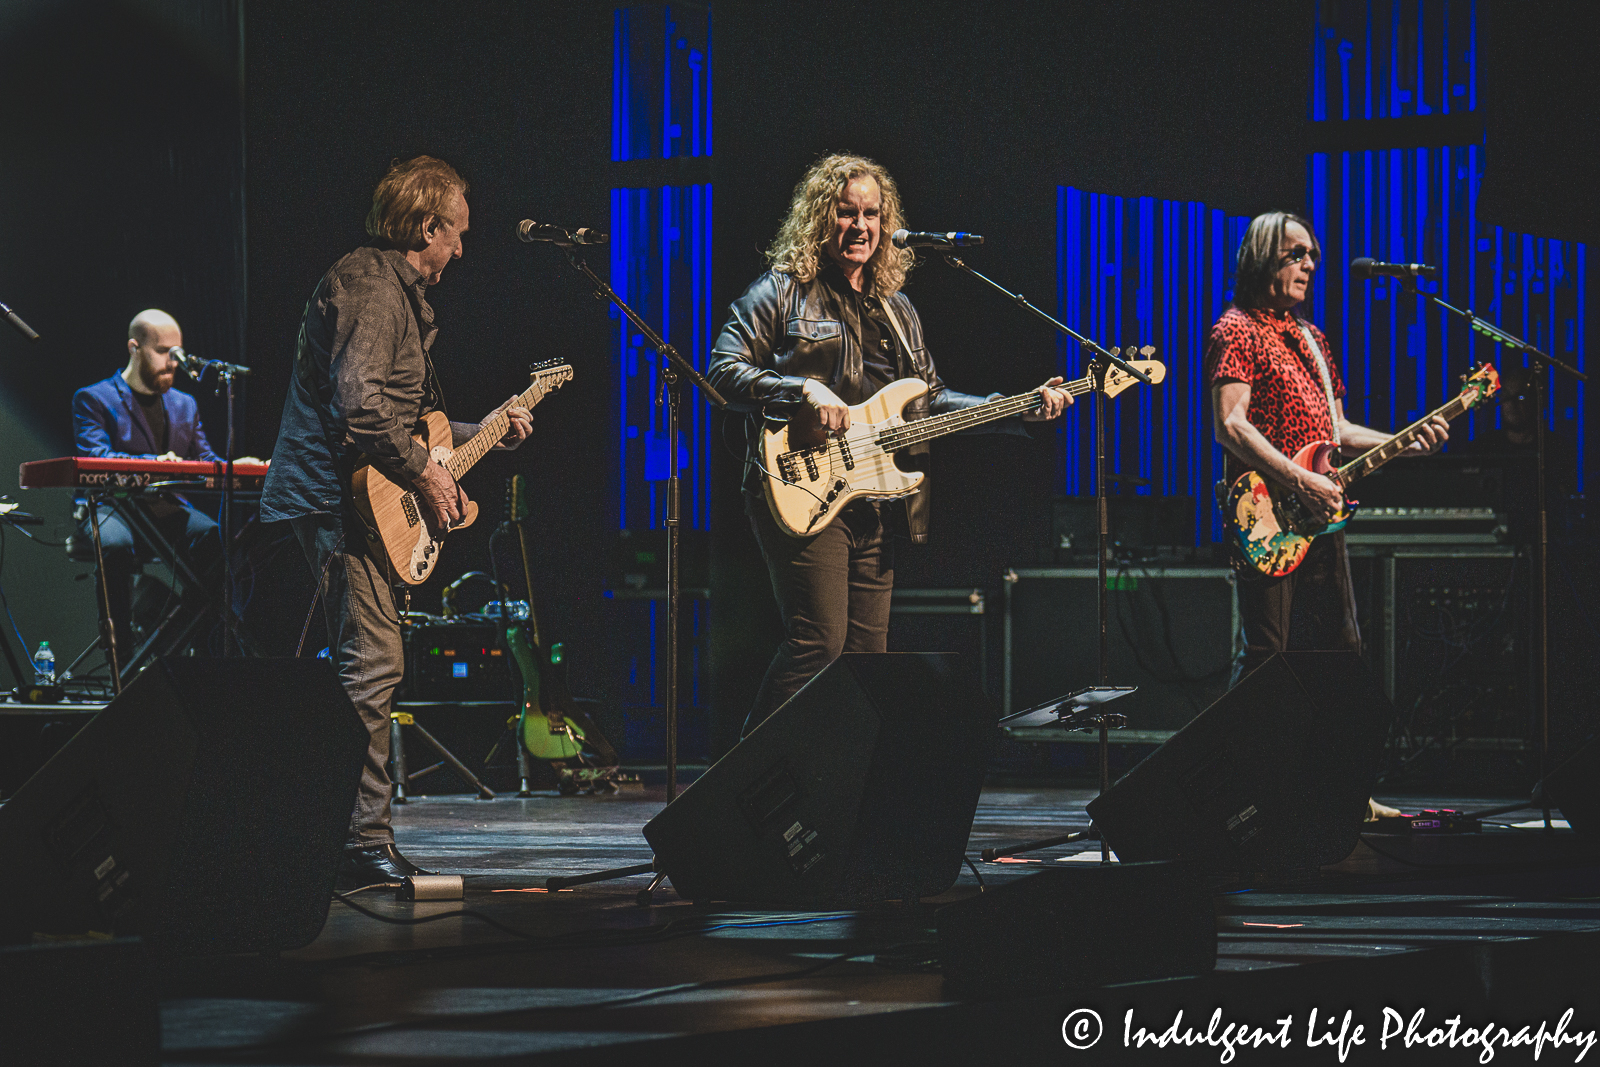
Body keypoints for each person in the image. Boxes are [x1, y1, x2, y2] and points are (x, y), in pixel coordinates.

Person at [708, 153, 1072, 736]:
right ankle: (740, 783)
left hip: (876, 498)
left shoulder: (897, 309)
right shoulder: (780, 291)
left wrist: (1018, 407)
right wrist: (801, 389)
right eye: (846, 212)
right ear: (819, 219)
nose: (861, 226)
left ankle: (833, 793)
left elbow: (931, 402)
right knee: (818, 642)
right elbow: (721, 371)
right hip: (799, 483)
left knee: (864, 658)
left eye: (872, 214)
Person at [259, 156, 533, 889]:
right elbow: (362, 408)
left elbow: (408, 424)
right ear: (426, 226)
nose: (462, 251)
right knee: (373, 665)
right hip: (335, 501)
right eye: (458, 234)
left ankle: (340, 833)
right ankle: (356, 843)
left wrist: (482, 430)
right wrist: (425, 471)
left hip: (357, 500)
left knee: (368, 665)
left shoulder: (395, 293)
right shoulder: (371, 285)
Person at [1206, 211, 1448, 820]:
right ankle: (1235, 796)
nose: (1310, 264)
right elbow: (1231, 425)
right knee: (1269, 657)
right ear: (1264, 258)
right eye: (1296, 254)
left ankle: (1345, 795)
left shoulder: (1313, 339)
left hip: (1319, 520)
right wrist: (1299, 478)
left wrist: (1404, 437)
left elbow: (1334, 430)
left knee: (1340, 655)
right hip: (1267, 513)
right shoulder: (1235, 329)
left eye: (1312, 254)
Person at [72, 309, 223, 667]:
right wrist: (155, 466)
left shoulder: (185, 404)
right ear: (134, 348)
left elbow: (204, 461)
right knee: (116, 546)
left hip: (163, 508)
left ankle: (191, 650)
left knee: (215, 541)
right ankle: (121, 659)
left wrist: (234, 468)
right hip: (112, 506)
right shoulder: (93, 398)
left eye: (177, 353)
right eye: (162, 351)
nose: (173, 362)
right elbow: (97, 457)